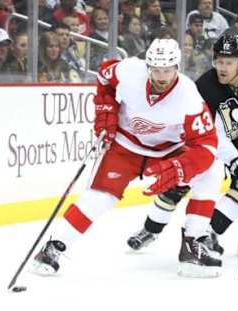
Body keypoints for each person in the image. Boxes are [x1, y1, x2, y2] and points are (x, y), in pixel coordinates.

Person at [33, 38, 223, 278]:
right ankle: (53, 248)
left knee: (211, 172)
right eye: (156, 69)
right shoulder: (130, 70)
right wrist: (105, 109)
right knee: (99, 197)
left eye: (168, 70)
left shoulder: (189, 97)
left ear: (177, 67)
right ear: (148, 66)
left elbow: (206, 144)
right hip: (124, 146)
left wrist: (182, 166)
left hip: (167, 151)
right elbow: (104, 77)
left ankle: (192, 245)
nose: (162, 76)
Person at [127, 33, 238, 258]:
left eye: (229, 63)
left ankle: (209, 234)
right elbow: (213, 135)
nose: (223, 68)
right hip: (208, 140)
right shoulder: (204, 88)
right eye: (219, 62)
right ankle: (150, 230)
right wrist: (235, 163)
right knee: (179, 183)